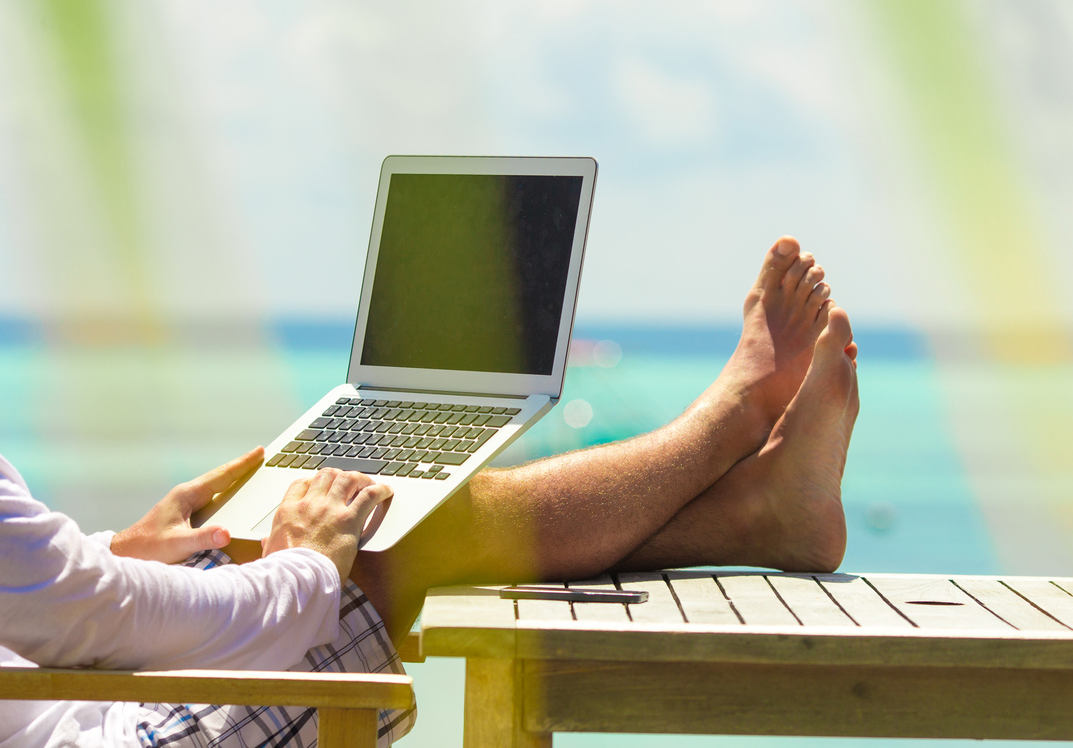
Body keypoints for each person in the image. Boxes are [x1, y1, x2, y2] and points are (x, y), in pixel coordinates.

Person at [0, 237, 861, 748]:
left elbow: (56, 600)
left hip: (61, 695)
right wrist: (306, 567)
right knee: (390, 547)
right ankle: (733, 426)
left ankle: (758, 513)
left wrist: (112, 554)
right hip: (95, 727)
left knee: (293, 540)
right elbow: (83, 614)